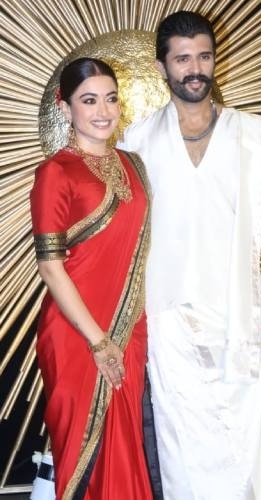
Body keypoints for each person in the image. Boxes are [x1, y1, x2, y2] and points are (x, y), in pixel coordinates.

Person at [117, 11, 261, 499]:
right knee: (188, 460)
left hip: (243, 317)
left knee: (257, 451)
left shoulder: (253, 134)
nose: (195, 69)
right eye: (182, 59)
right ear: (161, 67)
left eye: (204, 56)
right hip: (169, 323)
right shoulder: (135, 142)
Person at [30, 57, 153, 499]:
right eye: (88, 101)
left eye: (111, 99)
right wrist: (99, 342)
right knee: (83, 454)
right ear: (65, 108)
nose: (103, 111)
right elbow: (50, 266)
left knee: (127, 447)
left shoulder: (135, 166)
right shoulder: (55, 172)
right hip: (76, 335)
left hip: (129, 328)